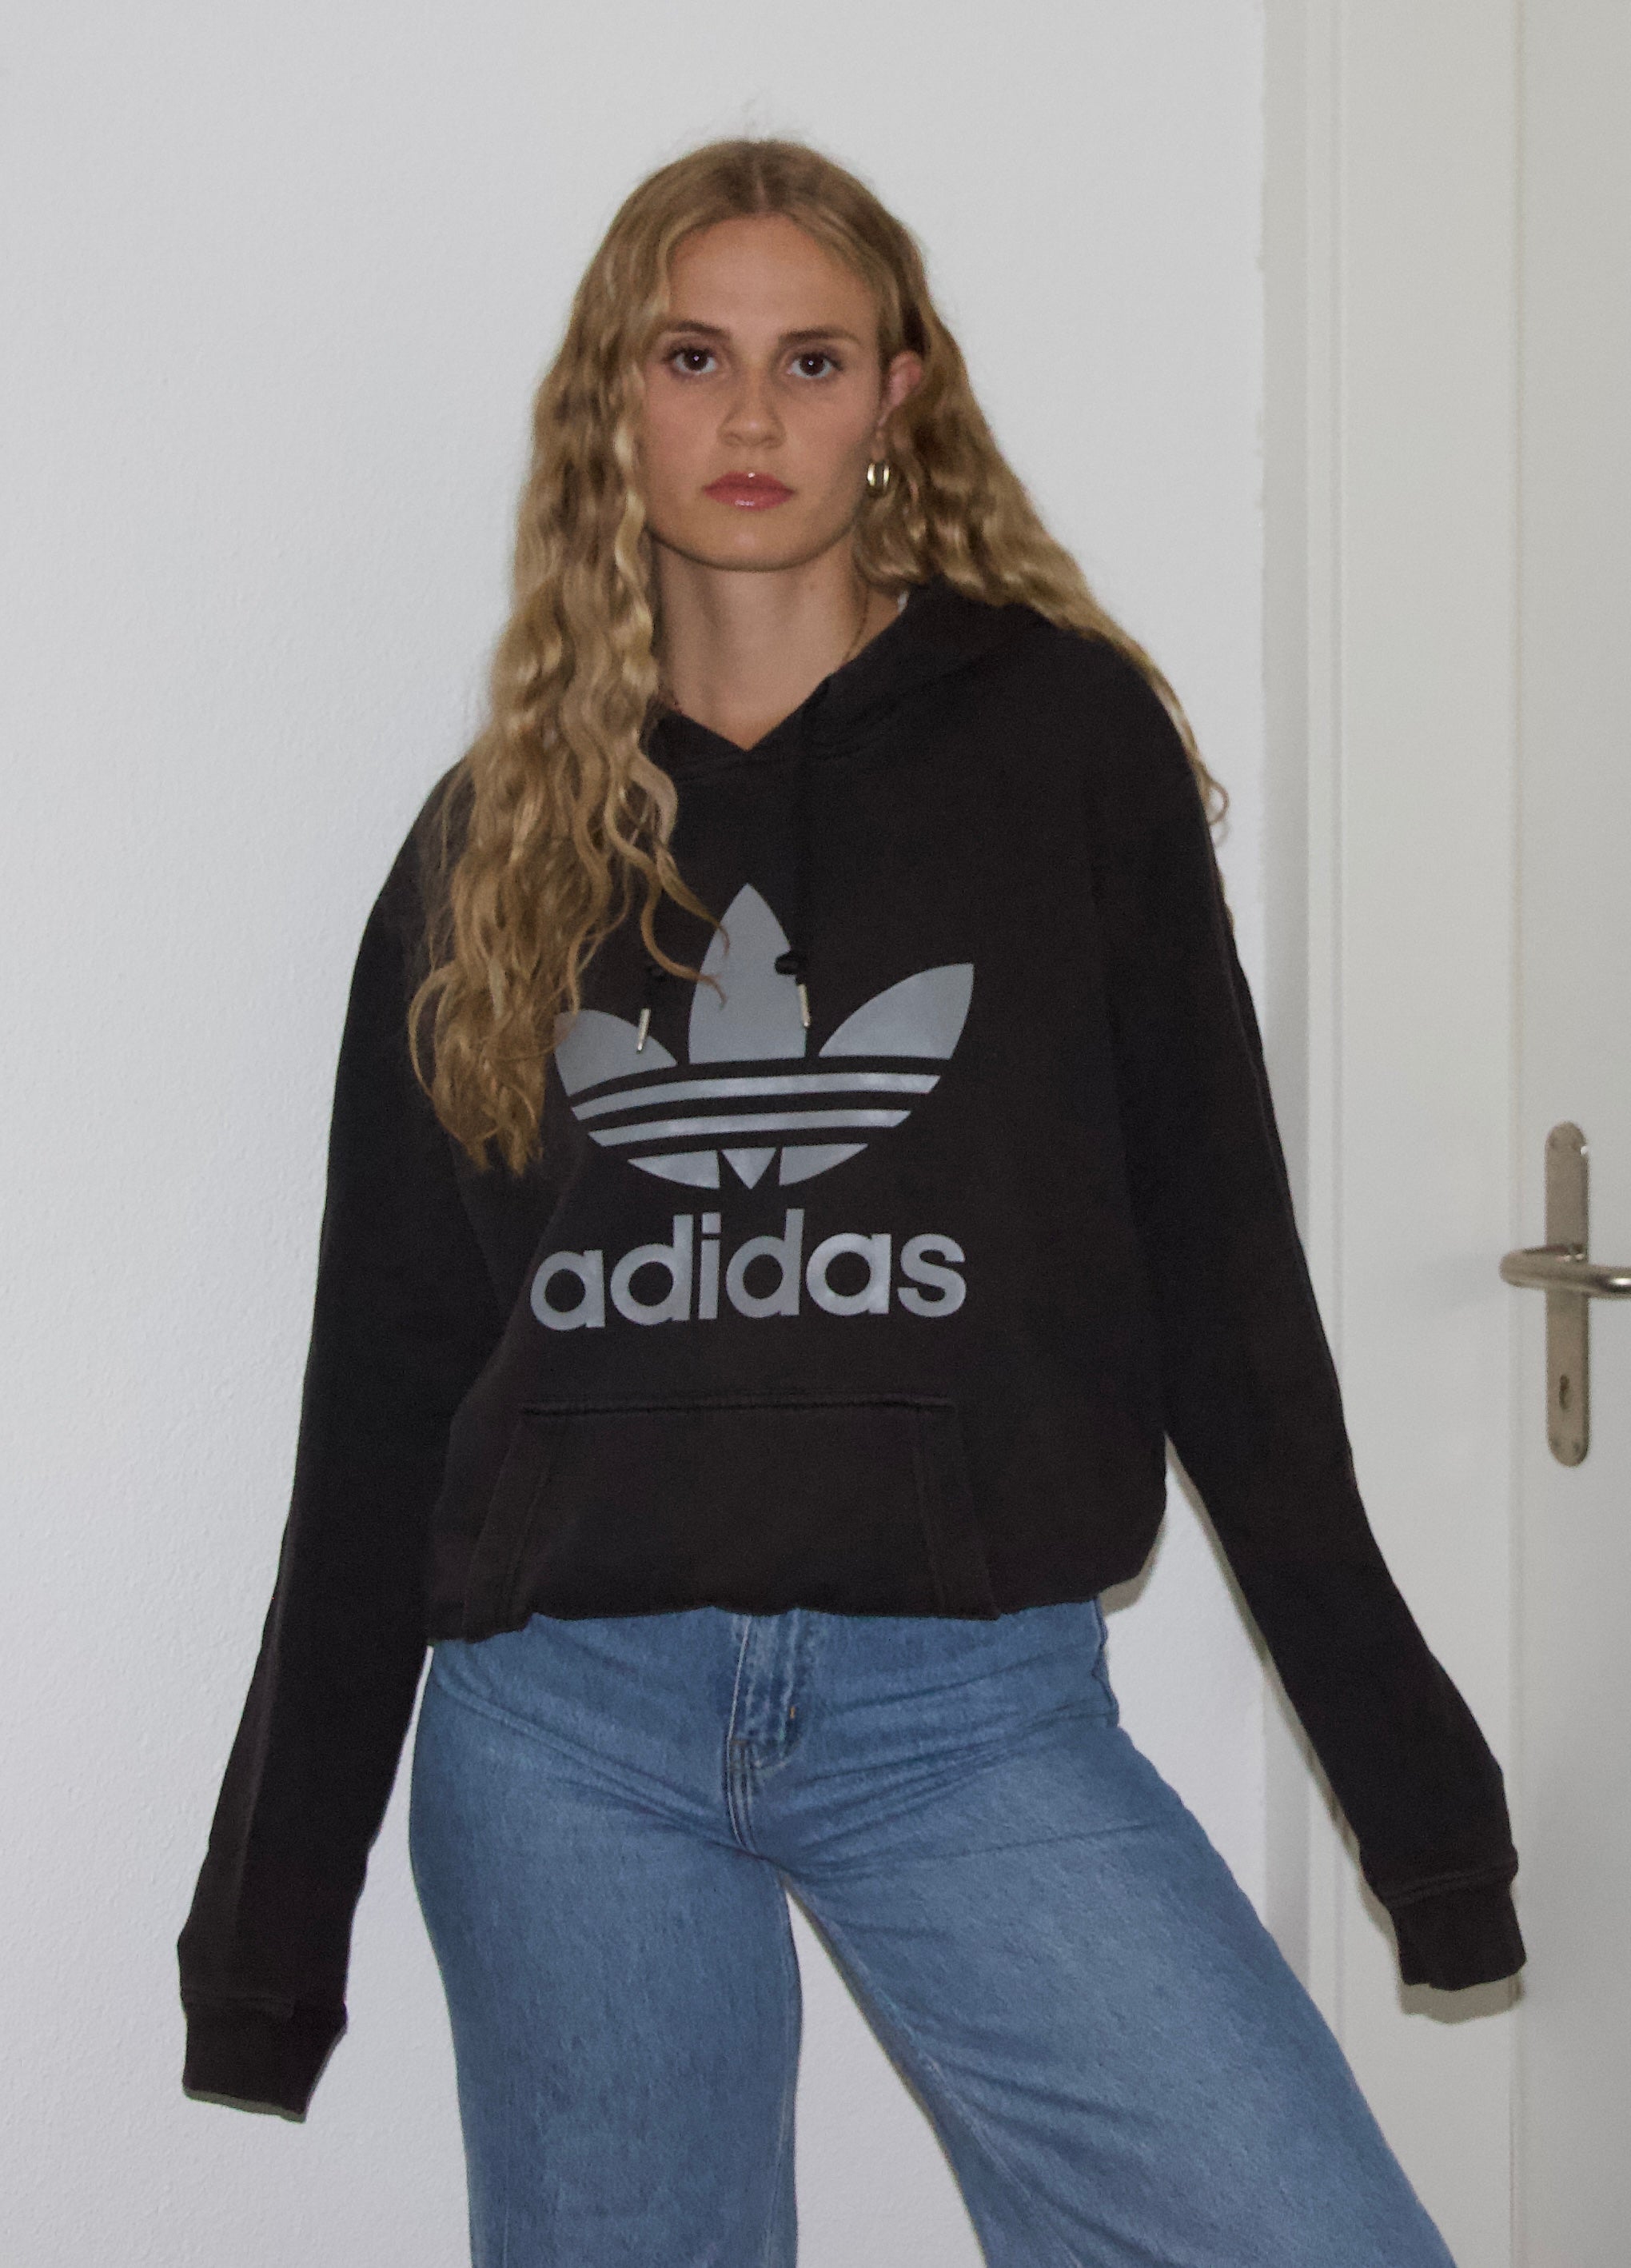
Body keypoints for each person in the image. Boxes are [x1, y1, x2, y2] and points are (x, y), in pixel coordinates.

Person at [178, 138, 1523, 2265]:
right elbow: (379, 1404)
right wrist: (269, 1933)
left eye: (809, 359)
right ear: (612, 400)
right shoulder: (494, 839)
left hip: (965, 1715)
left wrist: (1424, 1811)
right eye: (690, 356)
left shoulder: (1061, 749)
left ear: (898, 394)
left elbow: (1227, 1295)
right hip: (567, 1735)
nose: (749, 414)